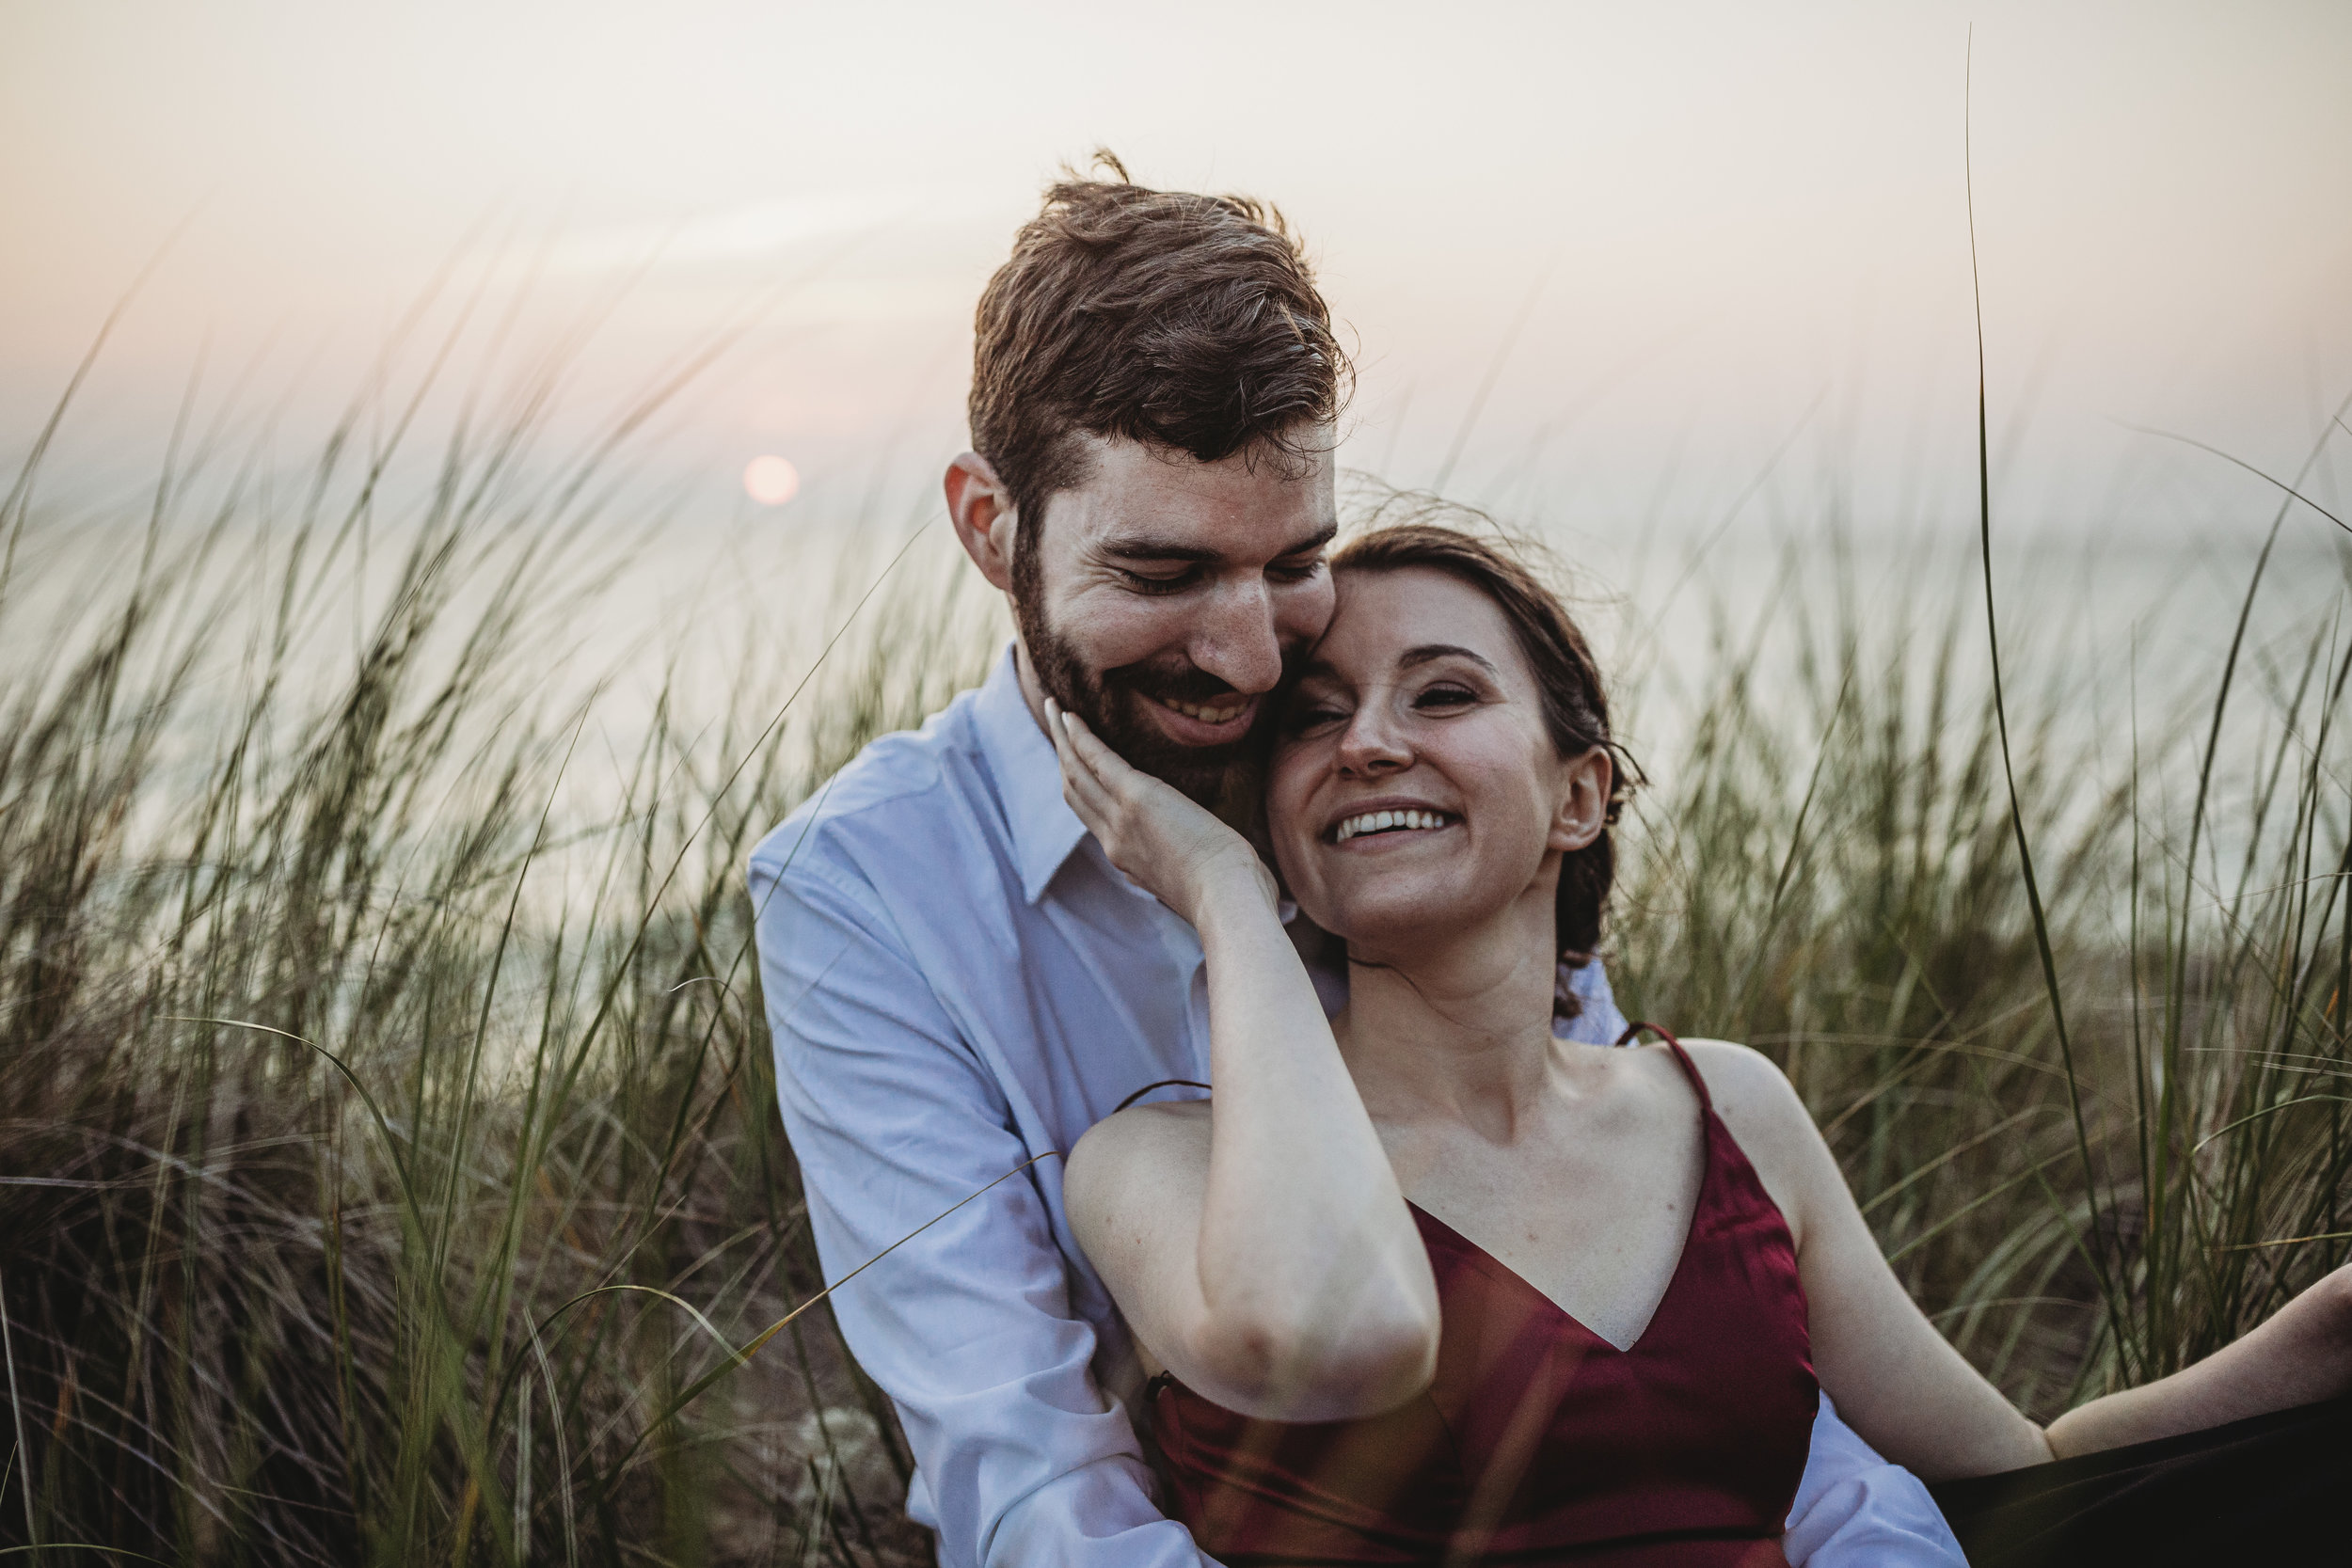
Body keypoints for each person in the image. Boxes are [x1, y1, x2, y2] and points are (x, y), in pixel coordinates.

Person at [749, 161, 1968, 1567]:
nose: (1256, 658)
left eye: (1292, 563)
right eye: (1163, 576)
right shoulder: (868, 891)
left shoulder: (1377, 789)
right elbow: (1030, 1481)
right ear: (990, 525)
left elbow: (1707, 1361)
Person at [1047, 519, 2352, 1567]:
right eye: (1313, 720)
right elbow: (1308, 1320)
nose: (1371, 742)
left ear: (1580, 793)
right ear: (1275, 824)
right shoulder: (1160, 1164)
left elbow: (2016, 1478)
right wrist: (1225, 903)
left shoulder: (1728, 1108)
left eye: (1441, 693)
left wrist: (2324, 1337)